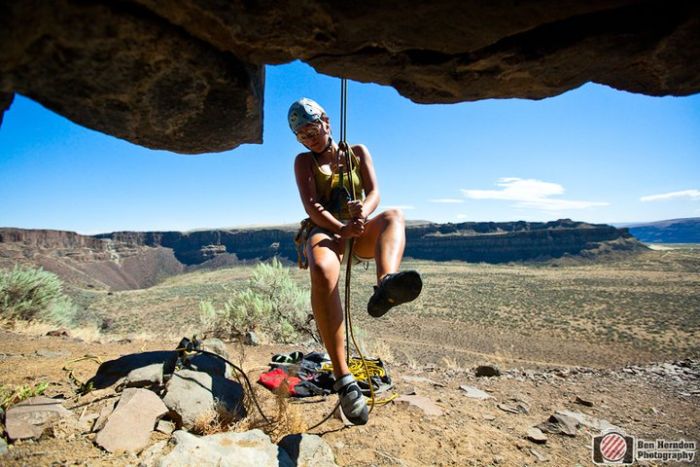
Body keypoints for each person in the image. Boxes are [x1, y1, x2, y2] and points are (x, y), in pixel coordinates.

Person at [289, 97, 422, 425]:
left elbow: (375, 191)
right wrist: (342, 228)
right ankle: (344, 379)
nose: (310, 137)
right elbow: (312, 208)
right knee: (321, 270)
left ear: (326, 121)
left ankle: (386, 284)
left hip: (356, 231)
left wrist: (364, 210)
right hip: (327, 234)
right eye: (302, 134)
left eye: (313, 127)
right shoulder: (303, 162)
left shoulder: (357, 153)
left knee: (394, 216)